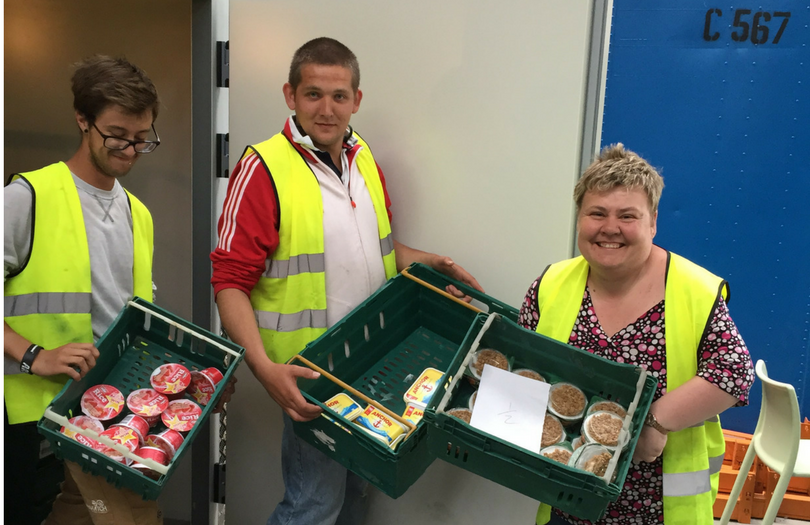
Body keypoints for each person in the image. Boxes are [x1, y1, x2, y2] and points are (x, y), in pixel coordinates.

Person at [211, 37, 483, 525]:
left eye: (339, 96)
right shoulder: (263, 168)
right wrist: (264, 368)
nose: (327, 109)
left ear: (356, 99)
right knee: (314, 506)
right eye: (313, 94)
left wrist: (429, 264)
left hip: (375, 362)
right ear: (290, 95)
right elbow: (229, 281)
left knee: (357, 493)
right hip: (311, 376)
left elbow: (374, 251)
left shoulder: (363, 159)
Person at [519, 144, 754, 525]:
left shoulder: (691, 290)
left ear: (653, 222)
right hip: (569, 501)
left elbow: (734, 372)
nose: (610, 228)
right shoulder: (551, 284)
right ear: (580, 218)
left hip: (659, 510)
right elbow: (523, 368)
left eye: (627, 215)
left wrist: (655, 422)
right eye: (597, 213)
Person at [4, 55, 162, 525]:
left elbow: (140, 320)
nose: (130, 150)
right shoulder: (26, 198)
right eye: (116, 135)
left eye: (142, 138)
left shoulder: (139, 213)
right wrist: (34, 355)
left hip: (108, 417)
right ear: (82, 119)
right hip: (34, 421)